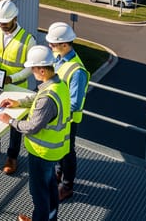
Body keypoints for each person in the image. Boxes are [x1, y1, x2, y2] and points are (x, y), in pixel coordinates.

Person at [0, 45, 71, 221]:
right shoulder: (58, 85)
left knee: (39, 193)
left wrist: (10, 121)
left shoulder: (47, 98)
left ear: (42, 70)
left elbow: (32, 126)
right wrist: (19, 103)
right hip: (54, 150)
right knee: (50, 187)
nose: (31, 72)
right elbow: (38, 98)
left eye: (33, 69)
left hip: (42, 152)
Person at [0, 0, 35, 175]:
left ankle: (12, 157)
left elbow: (30, 68)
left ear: (15, 18)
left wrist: (12, 78)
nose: (1, 25)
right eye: (0, 22)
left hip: (17, 88)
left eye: (5, 22)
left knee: (14, 125)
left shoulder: (28, 40)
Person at [46, 22, 90, 202]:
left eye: (53, 43)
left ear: (65, 45)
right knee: (59, 148)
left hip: (68, 120)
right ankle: (58, 173)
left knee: (67, 151)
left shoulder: (77, 71)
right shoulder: (59, 58)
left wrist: (53, 111)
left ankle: (67, 186)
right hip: (58, 116)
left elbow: (75, 103)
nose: (50, 46)